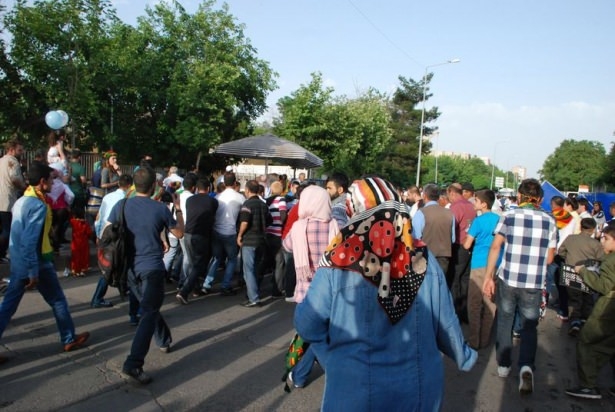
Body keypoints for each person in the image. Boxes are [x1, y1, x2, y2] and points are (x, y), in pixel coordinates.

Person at [295, 176, 477, 410]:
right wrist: (463, 356)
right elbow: (446, 322)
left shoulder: (338, 261)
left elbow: (308, 323)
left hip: (355, 388)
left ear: (355, 213)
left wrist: (331, 358)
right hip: (419, 389)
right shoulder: (424, 258)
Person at [0, 162, 89, 362]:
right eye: (50, 179)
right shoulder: (38, 206)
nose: (53, 182)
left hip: (19, 260)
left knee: (8, 306)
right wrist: (32, 271)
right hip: (35, 262)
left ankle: (69, 337)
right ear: (42, 182)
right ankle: (69, 338)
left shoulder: (22, 200)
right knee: (57, 300)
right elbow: (30, 240)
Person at [108, 166, 183, 384]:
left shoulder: (121, 205)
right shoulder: (160, 209)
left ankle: (164, 339)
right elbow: (179, 233)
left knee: (149, 307)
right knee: (149, 312)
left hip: (130, 267)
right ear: (153, 187)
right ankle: (133, 363)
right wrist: (178, 210)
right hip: (152, 267)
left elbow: (109, 231)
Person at [483, 178, 557, 395]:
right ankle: (526, 366)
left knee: (505, 320)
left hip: (508, 279)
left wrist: (488, 277)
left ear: (519, 195)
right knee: (529, 326)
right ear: (539, 199)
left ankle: (504, 364)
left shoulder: (508, 216)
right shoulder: (549, 221)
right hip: (533, 283)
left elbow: (495, 247)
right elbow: (550, 259)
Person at [283, 185, 339, 389]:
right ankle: (299, 375)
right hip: (330, 291)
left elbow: (287, 246)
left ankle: (335, 376)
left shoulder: (299, 227)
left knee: (311, 335)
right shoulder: (335, 225)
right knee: (316, 335)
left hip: (306, 290)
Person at [565, 224, 615, 400]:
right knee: (610, 344)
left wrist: (583, 272)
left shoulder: (611, 261)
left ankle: (588, 386)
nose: (602, 242)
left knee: (587, 341)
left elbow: (604, 286)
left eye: (606, 238)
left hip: (608, 305)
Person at [463, 189, 502, 349]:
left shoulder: (477, 221)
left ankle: (474, 340)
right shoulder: (500, 219)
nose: (474, 202)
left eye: (476, 200)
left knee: (474, 303)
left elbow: (467, 244)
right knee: (490, 303)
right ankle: (485, 339)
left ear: (484, 204)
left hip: (479, 264)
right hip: (496, 265)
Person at [91, 174, 133, 308]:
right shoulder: (125, 200)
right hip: (116, 236)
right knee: (111, 267)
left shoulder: (107, 196)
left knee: (111, 265)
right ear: (129, 186)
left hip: (105, 234)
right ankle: (97, 298)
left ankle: (123, 288)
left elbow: (99, 216)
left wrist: (98, 234)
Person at [558, 217, 604, 336]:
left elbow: (561, 252)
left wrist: (569, 258)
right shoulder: (596, 244)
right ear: (593, 229)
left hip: (571, 273)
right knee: (588, 298)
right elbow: (600, 259)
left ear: (580, 227)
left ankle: (575, 323)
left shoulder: (570, 238)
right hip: (589, 275)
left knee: (574, 300)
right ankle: (585, 320)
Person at [201, 171, 245, 296]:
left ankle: (206, 284)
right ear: (235, 182)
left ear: (224, 183)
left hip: (216, 230)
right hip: (231, 231)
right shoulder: (240, 198)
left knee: (216, 258)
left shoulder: (217, 197)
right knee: (232, 259)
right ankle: (225, 285)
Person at [175, 178, 218, 304]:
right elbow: (212, 217)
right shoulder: (213, 201)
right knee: (199, 264)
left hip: (188, 233)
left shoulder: (190, 200)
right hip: (202, 235)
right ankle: (184, 292)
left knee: (192, 263)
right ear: (208, 188)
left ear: (197, 188)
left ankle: (195, 288)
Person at [237, 179, 270, 307]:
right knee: (255, 269)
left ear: (247, 190)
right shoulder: (263, 205)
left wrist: (240, 235)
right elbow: (270, 220)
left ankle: (254, 298)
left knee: (248, 270)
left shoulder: (247, 204)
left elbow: (244, 222)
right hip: (261, 240)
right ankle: (253, 293)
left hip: (249, 241)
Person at [447, 183, 476, 323]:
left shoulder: (455, 207)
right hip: (470, 245)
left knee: (455, 278)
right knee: (465, 278)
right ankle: (464, 311)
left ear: (452, 193)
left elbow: (451, 227)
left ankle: (454, 311)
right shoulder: (471, 206)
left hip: (459, 245)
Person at [412, 183, 455, 276]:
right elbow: (453, 239)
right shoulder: (449, 213)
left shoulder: (421, 213)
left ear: (424, 196)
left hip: (425, 255)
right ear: (438, 196)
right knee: (441, 281)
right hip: (444, 255)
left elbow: (416, 238)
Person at [0, 139, 26, 263]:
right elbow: (15, 179)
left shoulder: (1, 160)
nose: (22, 152)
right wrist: (24, 187)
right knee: (7, 229)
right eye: (19, 150)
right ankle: (1, 253)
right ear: (11, 150)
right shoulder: (13, 161)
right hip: (8, 200)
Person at [69, 206, 92, 277]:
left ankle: (75, 270)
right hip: (84, 243)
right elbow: (89, 232)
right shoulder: (85, 223)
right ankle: (82, 270)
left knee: (75, 257)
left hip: (75, 243)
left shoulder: (73, 222)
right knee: (83, 257)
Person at [68, 149, 87, 216]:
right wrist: (85, 187)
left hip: (68, 194)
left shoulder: (67, 166)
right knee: (79, 214)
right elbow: (83, 180)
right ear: (79, 157)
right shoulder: (80, 167)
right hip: (78, 194)